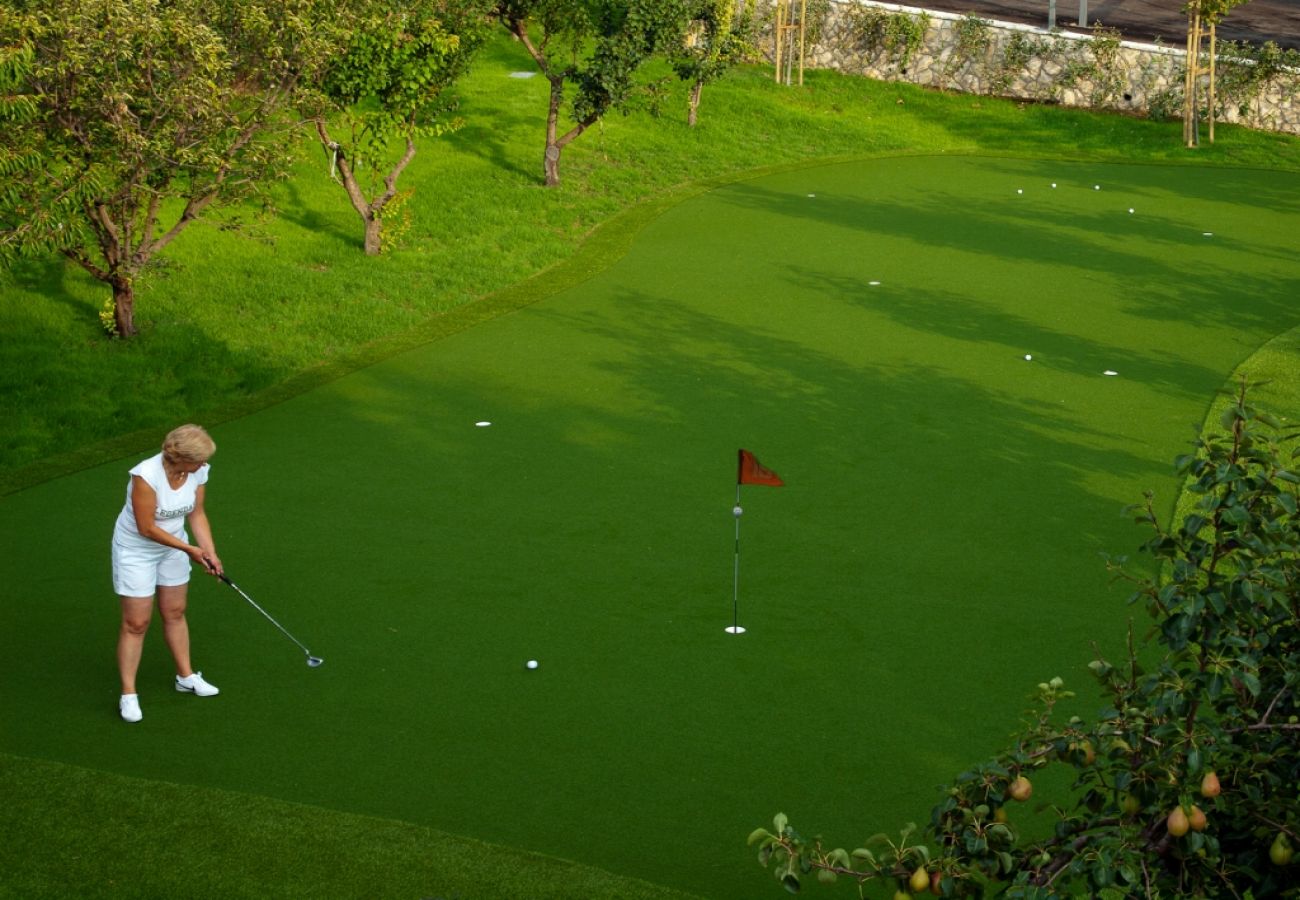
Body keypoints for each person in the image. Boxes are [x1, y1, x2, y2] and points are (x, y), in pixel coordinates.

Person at [111, 424, 224, 723]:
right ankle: (129, 694)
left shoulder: (197, 471)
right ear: (181, 458)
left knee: (175, 610)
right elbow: (146, 528)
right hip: (136, 550)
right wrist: (190, 550)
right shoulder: (145, 477)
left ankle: (185, 676)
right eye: (198, 460)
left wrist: (208, 551)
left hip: (174, 546)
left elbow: (196, 513)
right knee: (137, 622)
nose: (203, 465)